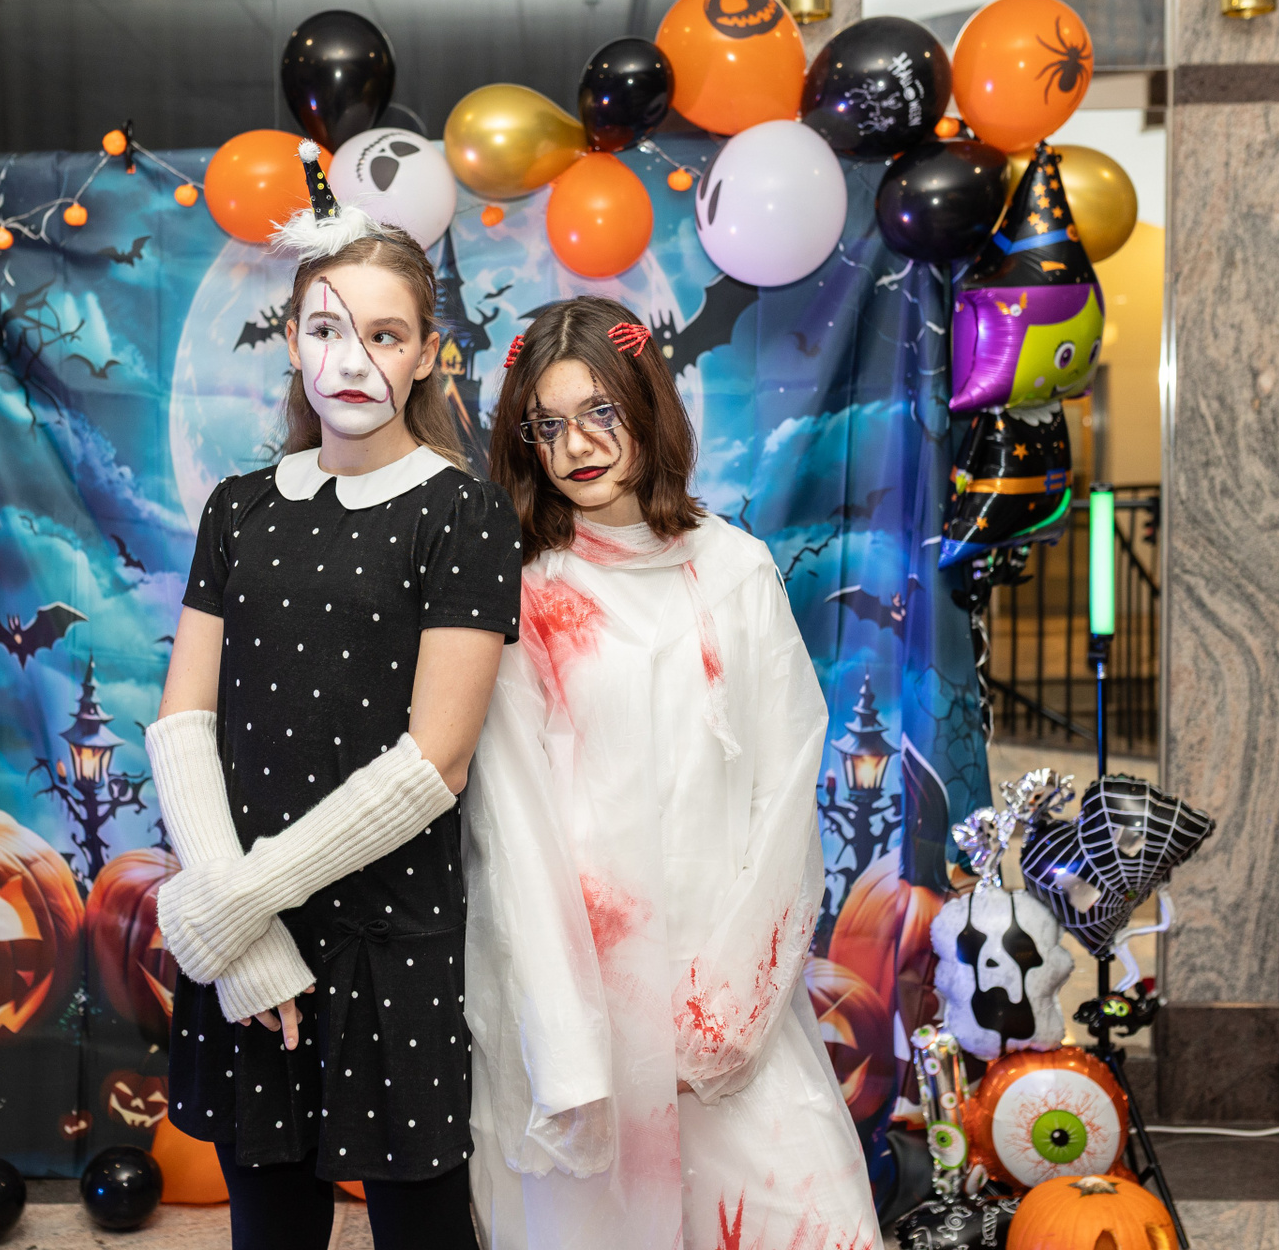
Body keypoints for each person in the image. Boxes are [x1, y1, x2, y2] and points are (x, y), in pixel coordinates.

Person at [146, 143, 520, 1250]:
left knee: (424, 1228)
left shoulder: (462, 513)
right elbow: (182, 723)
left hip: (388, 934)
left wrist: (233, 904)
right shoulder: (239, 506)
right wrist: (248, 938)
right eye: (325, 328)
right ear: (292, 342)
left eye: (384, 334)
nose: (351, 359)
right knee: (268, 1227)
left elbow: (434, 762)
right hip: (251, 933)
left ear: (427, 354)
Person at [464, 296, 881, 1249]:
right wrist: (567, 1046)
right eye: (548, 425)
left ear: (647, 405)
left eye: (600, 411)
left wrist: (731, 1001)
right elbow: (513, 832)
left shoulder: (735, 568)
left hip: (732, 994)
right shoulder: (522, 593)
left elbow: (786, 787)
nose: (577, 445)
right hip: (589, 1004)